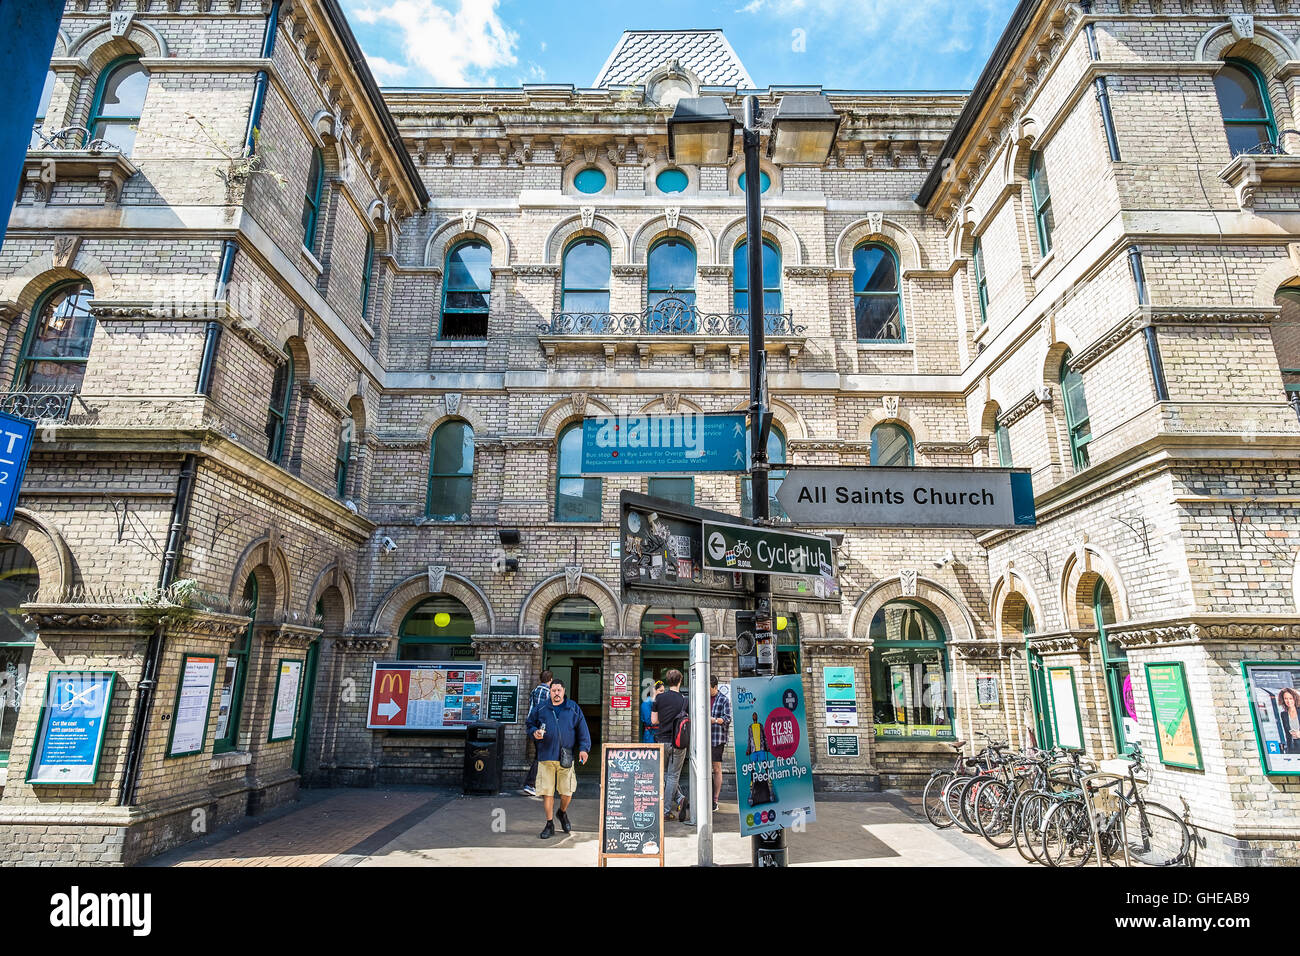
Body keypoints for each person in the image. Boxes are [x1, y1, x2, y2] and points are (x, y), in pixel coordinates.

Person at [525, 679, 590, 839]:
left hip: (565, 756)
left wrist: (584, 749)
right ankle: (549, 824)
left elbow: (582, 730)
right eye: (553, 691)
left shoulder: (572, 708)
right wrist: (534, 732)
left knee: (567, 791)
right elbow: (529, 724)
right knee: (547, 792)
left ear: (563, 691)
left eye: (559, 690)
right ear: (550, 692)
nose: (556, 693)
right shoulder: (541, 708)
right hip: (546, 755)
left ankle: (561, 812)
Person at [651, 668, 689, 822]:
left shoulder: (659, 699)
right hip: (678, 742)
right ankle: (669, 808)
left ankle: (678, 800)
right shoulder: (684, 700)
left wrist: (664, 720)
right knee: (673, 775)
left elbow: (653, 721)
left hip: (661, 741)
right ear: (680, 681)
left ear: (667, 681)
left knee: (664, 775)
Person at [521, 669, 553, 796]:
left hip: (533, 727)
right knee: (541, 757)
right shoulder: (548, 693)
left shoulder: (534, 691)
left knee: (541, 755)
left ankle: (538, 784)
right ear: (550, 680)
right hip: (543, 729)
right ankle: (530, 784)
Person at [709, 676, 731, 812]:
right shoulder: (702, 697)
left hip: (717, 739)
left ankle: (715, 800)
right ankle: (706, 798)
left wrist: (715, 720)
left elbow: (728, 718)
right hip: (703, 739)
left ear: (715, 687)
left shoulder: (724, 699)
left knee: (716, 768)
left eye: (709, 688)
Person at [641, 680, 663, 744]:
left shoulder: (659, 701)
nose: (663, 693)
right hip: (651, 735)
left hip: (659, 734)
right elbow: (649, 721)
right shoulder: (647, 703)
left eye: (664, 691)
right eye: (661, 691)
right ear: (654, 690)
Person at [1279, 687, 1300, 754]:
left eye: (1290, 698)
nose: (1288, 701)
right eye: (1286, 698)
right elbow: (1287, 734)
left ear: (1295, 698)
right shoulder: (1283, 714)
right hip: (1292, 748)